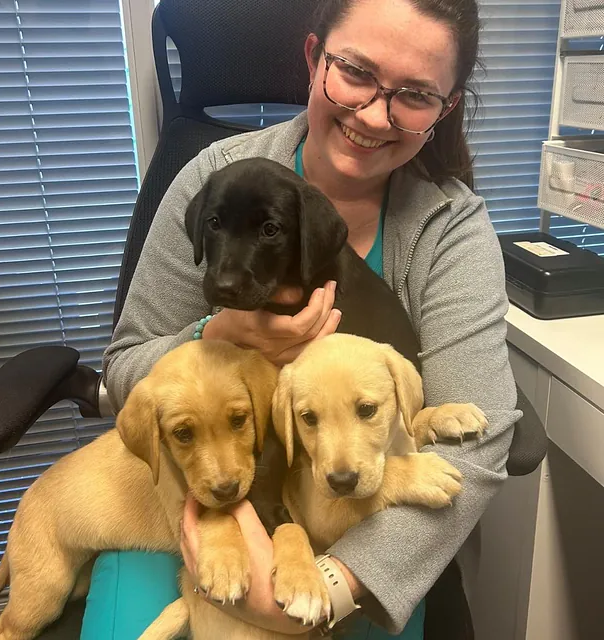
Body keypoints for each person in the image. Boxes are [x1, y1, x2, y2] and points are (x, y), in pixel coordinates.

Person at [94, 0, 520, 637]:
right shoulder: (215, 179)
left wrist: (337, 584)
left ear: (446, 107)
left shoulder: (448, 228)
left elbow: (478, 439)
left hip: (356, 527)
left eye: (414, 95)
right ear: (313, 57)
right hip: (194, 510)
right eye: (354, 71)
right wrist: (213, 338)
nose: (376, 113)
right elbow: (125, 367)